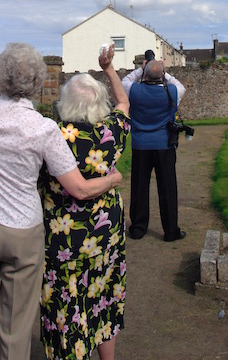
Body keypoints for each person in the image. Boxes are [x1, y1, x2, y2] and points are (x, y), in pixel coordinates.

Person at [0, 0, 123, 360]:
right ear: (37, 83)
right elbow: (78, 188)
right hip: (24, 230)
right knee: (16, 325)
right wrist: (111, 179)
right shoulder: (45, 130)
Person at [38, 43, 131, 360]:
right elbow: (123, 102)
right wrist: (108, 69)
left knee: (66, 302)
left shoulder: (52, 136)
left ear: (66, 103)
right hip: (105, 236)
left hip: (64, 240)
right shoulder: (111, 133)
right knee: (103, 295)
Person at [121, 52, 186, 242]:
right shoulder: (172, 91)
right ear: (162, 74)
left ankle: (139, 228)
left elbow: (125, 80)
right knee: (167, 187)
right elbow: (179, 85)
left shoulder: (133, 90)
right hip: (164, 144)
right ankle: (170, 230)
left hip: (141, 144)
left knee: (139, 187)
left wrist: (142, 68)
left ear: (145, 74)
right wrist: (163, 71)